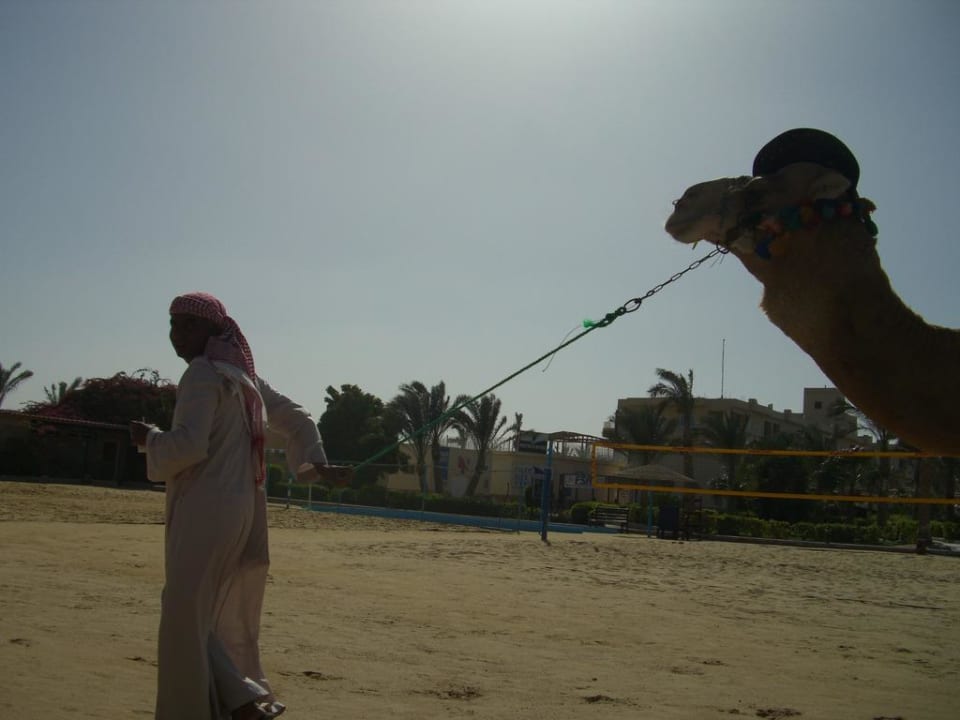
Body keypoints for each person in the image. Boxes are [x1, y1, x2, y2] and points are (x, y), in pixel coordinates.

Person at [130, 292, 349, 720]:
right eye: (172, 325)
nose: (176, 336)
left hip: (206, 510)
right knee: (191, 613)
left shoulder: (202, 374)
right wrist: (316, 463)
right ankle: (244, 704)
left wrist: (149, 438)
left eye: (185, 326)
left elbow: (188, 447)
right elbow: (300, 419)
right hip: (245, 510)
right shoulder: (248, 382)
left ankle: (219, 708)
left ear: (211, 330)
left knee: (183, 612)